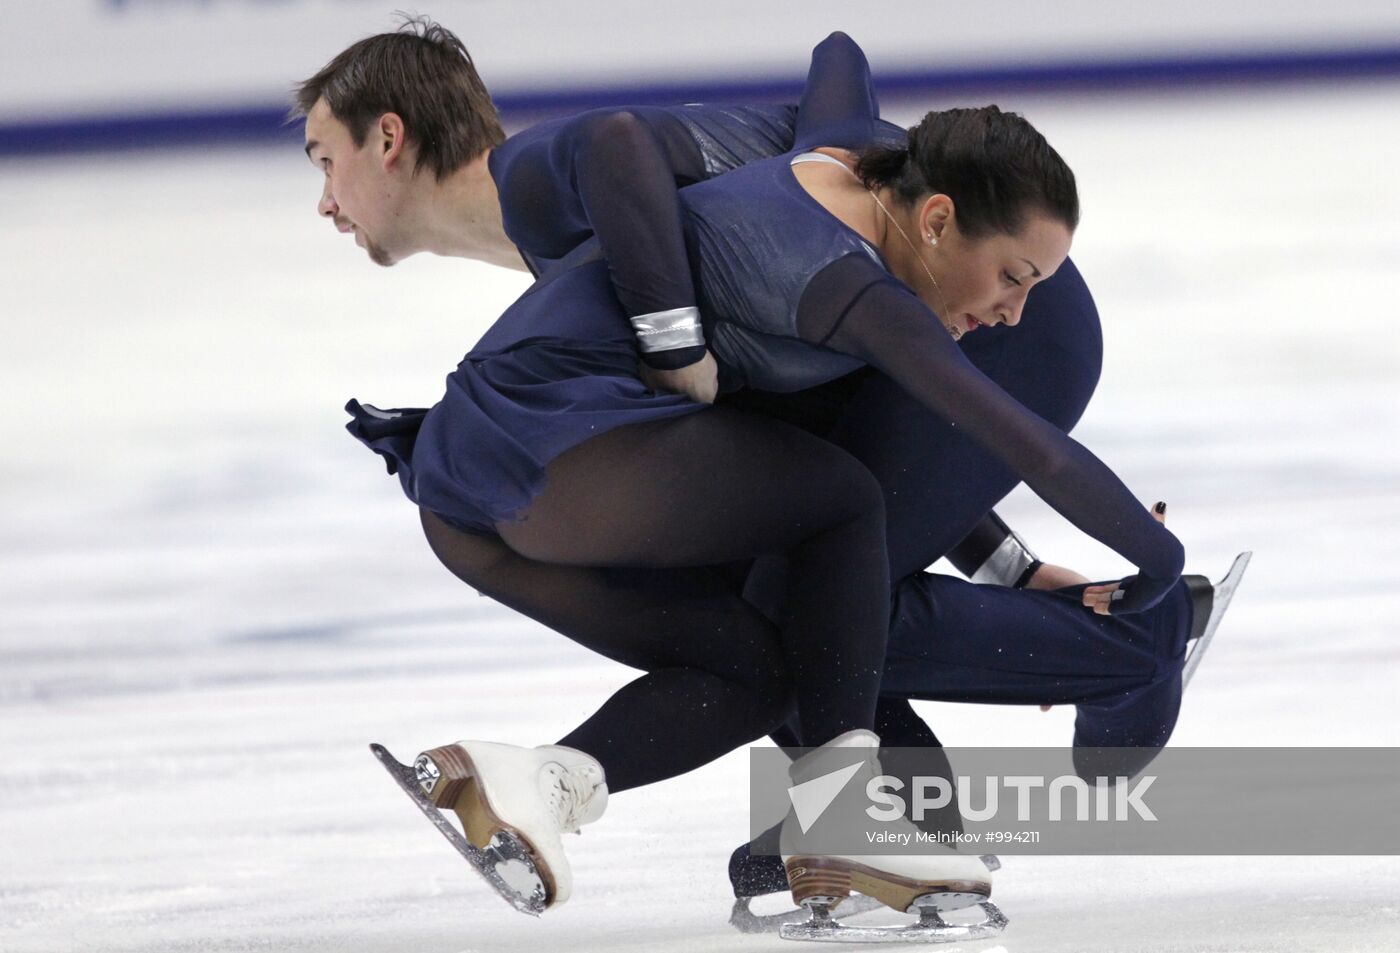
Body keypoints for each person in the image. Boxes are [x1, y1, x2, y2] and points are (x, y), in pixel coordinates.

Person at [295, 20, 1188, 921]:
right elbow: (808, 84)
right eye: (1011, 280)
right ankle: (910, 789)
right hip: (539, 436)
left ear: (389, 137)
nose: (324, 198)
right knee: (832, 526)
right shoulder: (815, 254)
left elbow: (763, 97)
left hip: (470, 493)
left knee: (763, 657)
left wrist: (1008, 561)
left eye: (323, 158)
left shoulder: (737, 203)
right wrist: (674, 336)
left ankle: (542, 784)